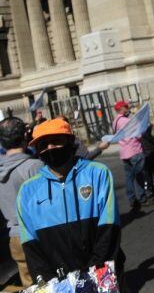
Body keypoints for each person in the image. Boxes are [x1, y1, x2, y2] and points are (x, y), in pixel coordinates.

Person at [16, 119, 125, 284]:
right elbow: (31, 247)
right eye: (43, 144)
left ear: (70, 141)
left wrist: (94, 276)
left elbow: (109, 230)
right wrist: (50, 282)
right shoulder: (27, 191)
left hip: (101, 276)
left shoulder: (98, 174)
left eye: (56, 141)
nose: (50, 148)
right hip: (60, 283)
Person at [0, 117, 43, 287]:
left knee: (30, 285)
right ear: (25, 135)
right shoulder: (35, 167)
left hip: (15, 236)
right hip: (39, 234)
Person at [112, 100, 147, 210]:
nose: (128, 108)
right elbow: (139, 134)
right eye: (126, 106)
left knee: (129, 177)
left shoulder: (115, 121)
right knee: (139, 175)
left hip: (124, 151)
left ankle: (132, 198)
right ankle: (142, 197)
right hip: (134, 150)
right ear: (121, 109)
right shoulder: (127, 121)